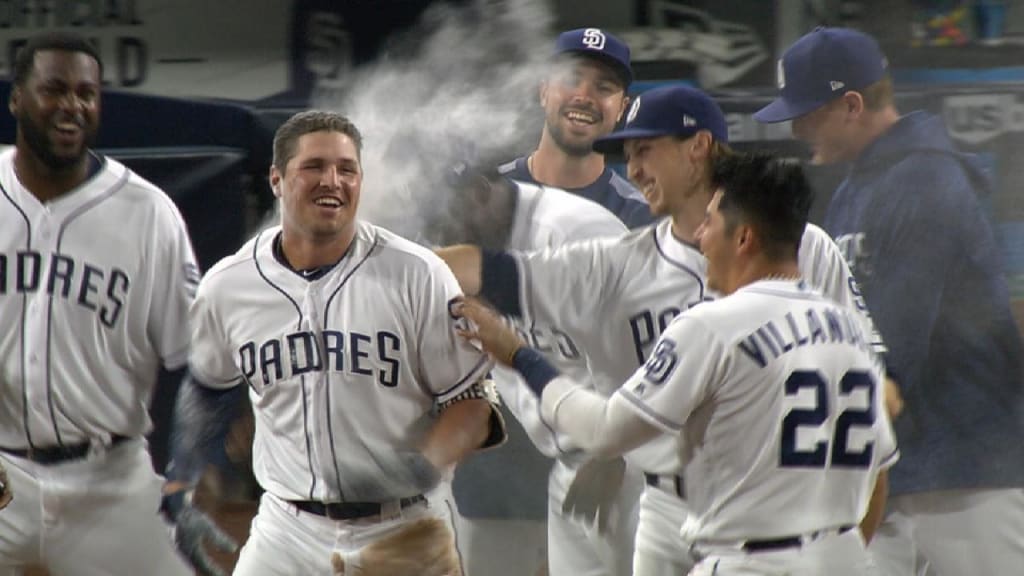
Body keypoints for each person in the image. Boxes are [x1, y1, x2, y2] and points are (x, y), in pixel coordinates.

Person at [438, 84, 886, 576]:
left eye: (645, 149)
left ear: (698, 147)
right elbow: (483, 268)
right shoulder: (619, 263)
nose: (632, 169)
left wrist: (518, 353)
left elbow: (876, 392)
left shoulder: (802, 251)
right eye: (627, 154)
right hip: (670, 503)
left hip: (771, 505)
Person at [162, 110, 505, 576]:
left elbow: (473, 401)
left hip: (405, 529)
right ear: (277, 179)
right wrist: (183, 484)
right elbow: (205, 389)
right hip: (286, 531)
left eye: (347, 170)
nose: (333, 181)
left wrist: (423, 465)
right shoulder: (229, 286)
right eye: (315, 167)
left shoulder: (417, 273)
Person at [754, 26, 1024, 575]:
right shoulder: (858, 188)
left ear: (851, 104)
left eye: (808, 111)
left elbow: (892, 343)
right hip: (893, 463)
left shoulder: (927, 180)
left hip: (968, 471)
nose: (798, 126)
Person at [0, 32, 198, 576]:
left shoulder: (148, 214)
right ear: (17, 98)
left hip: (108, 480)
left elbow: (196, 360)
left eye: (87, 93)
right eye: (54, 90)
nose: (72, 106)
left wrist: (188, 468)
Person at [421, 161, 627, 576]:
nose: (442, 239)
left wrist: (615, 455)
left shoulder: (575, 232)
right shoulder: (465, 241)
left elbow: (647, 351)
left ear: (479, 193)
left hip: (630, 463)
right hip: (570, 464)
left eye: (445, 224)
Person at [499, 27, 654, 229]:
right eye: (571, 80)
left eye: (604, 87)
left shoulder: (639, 218)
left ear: (622, 108)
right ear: (544, 92)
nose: (584, 97)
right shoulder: (488, 193)